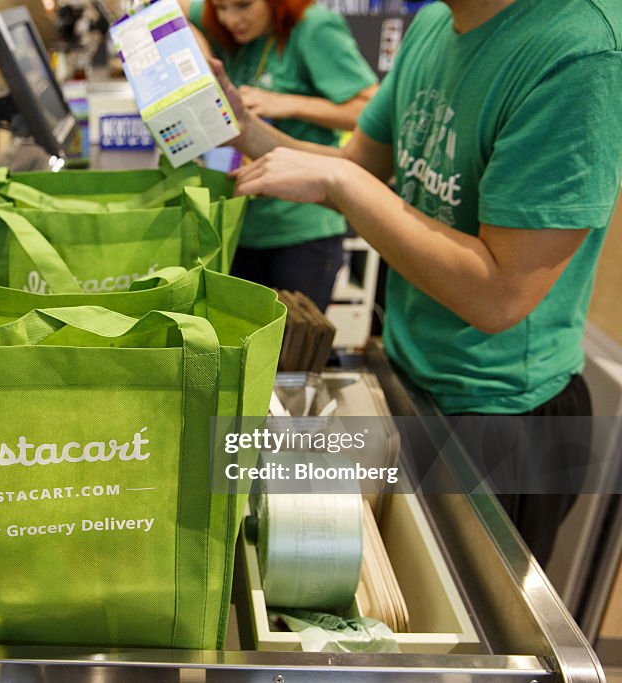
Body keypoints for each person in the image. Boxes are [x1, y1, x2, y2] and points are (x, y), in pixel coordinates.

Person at [220, 0, 622, 564]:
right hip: (408, 380)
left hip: (500, 419)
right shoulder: (437, 21)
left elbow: (499, 294)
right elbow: (360, 164)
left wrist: (339, 180)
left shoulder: (581, 49)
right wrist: (244, 129)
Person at [179, 0, 378, 310]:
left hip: (300, 229)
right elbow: (169, 10)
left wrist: (287, 103)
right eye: (221, 8)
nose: (232, 19)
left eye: (244, 6)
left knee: (292, 348)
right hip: (240, 225)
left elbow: (370, 110)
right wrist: (200, 58)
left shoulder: (314, 29)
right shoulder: (233, 32)